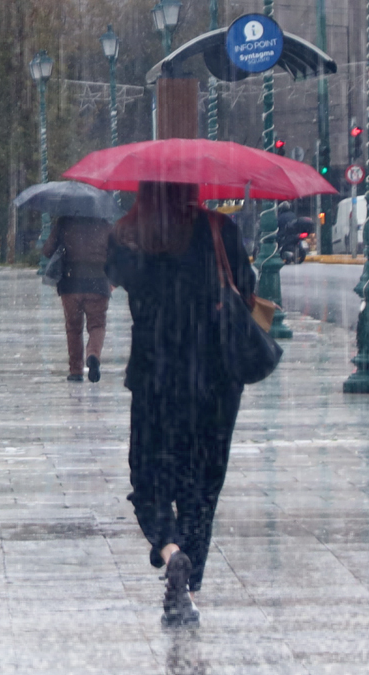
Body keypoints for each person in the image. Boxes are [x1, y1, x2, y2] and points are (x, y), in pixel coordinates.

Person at [105, 182, 256, 627]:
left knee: (148, 479)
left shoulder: (127, 235)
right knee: (201, 484)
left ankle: (170, 551)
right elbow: (247, 289)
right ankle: (186, 589)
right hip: (214, 378)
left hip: (155, 376)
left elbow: (117, 280)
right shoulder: (218, 229)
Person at [41, 215, 113, 382]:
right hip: (98, 282)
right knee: (97, 325)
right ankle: (93, 354)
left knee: (73, 328)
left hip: (71, 282)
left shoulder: (65, 222)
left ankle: (76, 370)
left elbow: (47, 250)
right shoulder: (104, 224)